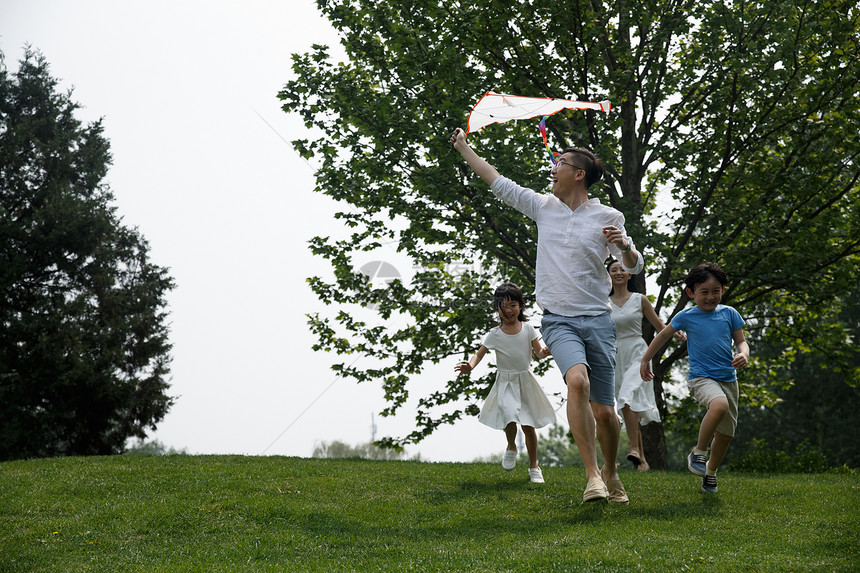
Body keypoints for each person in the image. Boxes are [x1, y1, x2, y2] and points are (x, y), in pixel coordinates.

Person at [451, 127, 644, 504]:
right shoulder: (543, 207)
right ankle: (592, 477)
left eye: (561, 164)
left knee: (605, 413)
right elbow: (497, 181)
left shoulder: (609, 216)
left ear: (579, 174)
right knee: (577, 383)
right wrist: (464, 148)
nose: (552, 170)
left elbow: (633, 266)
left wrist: (625, 247)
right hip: (559, 320)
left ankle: (611, 471)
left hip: (598, 321)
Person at [640, 263, 749, 493]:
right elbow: (662, 336)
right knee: (718, 405)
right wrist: (645, 359)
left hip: (728, 379)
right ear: (691, 293)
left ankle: (710, 473)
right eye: (704, 292)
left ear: (723, 289)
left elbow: (741, 341)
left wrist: (744, 354)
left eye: (716, 291)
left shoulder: (730, 313)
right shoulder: (686, 316)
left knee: (725, 434)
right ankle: (698, 453)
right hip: (701, 378)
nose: (711, 297)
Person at [455, 283, 556, 483]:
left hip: (525, 381)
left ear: (521, 306)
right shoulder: (495, 334)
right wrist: (470, 366)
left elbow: (539, 353)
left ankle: (534, 467)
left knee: (528, 425)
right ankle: (511, 445)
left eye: (513, 305)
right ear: (497, 308)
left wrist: (546, 351)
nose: (509, 310)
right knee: (508, 414)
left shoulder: (528, 329)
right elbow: (479, 354)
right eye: (504, 306)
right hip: (506, 381)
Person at [607, 259, 682, 472]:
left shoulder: (640, 300)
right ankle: (643, 461)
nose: (619, 272)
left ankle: (634, 448)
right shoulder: (603, 303)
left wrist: (678, 332)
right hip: (615, 357)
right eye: (614, 270)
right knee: (626, 405)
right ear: (609, 276)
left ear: (630, 274)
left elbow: (660, 327)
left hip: (639, 355)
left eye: (622, 269)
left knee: (627, 397)